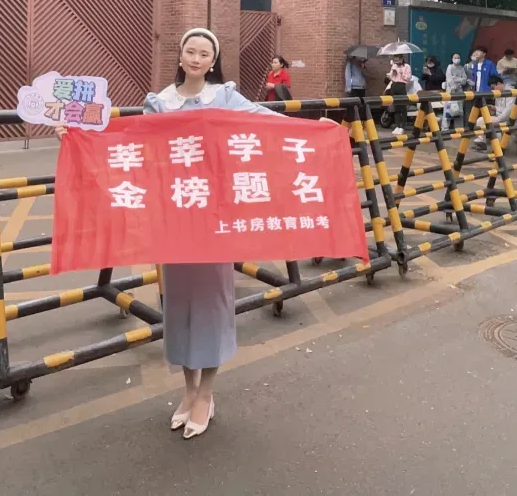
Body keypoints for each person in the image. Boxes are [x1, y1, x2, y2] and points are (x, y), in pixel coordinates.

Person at [75, 28, 327, 440]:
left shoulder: (224, 97)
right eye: (190, 51)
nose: (196, 58)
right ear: (180, 57)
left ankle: (206, 393)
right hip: (173, 216)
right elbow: (130, 144)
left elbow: (264, 119)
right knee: (178, 306)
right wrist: (79, 135)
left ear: (213, 61)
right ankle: (188, 390)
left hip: (214, 217)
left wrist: (312, 128)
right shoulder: (159, 102)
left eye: (204, 53)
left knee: (211, 304)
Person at [442, 53, 470, 130]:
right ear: (452, 59)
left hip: (459, 92)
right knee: (448, 109)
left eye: (458, 57)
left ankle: (459, 128)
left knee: (459, 110)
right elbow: (449, 79)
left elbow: (464, 80)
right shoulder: (450, 67)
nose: (457, 59)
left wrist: (456, 79)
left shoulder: (461, 68)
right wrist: (458, 80)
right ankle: (445, 128)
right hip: (450, 91)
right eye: (455, 57)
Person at [386, 54, 412, 135]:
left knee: (403, 107)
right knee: (396, 107)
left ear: (401, 59)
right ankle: (397, 126)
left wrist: (401, 73)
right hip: (394, 85)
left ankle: (402, 127)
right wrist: (392, 74)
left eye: (397, 59)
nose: (396, 61)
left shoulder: (407, 66)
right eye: (395, 60)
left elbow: (408, 78)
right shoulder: (394, 66)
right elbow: (391, 77)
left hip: (401, 85)